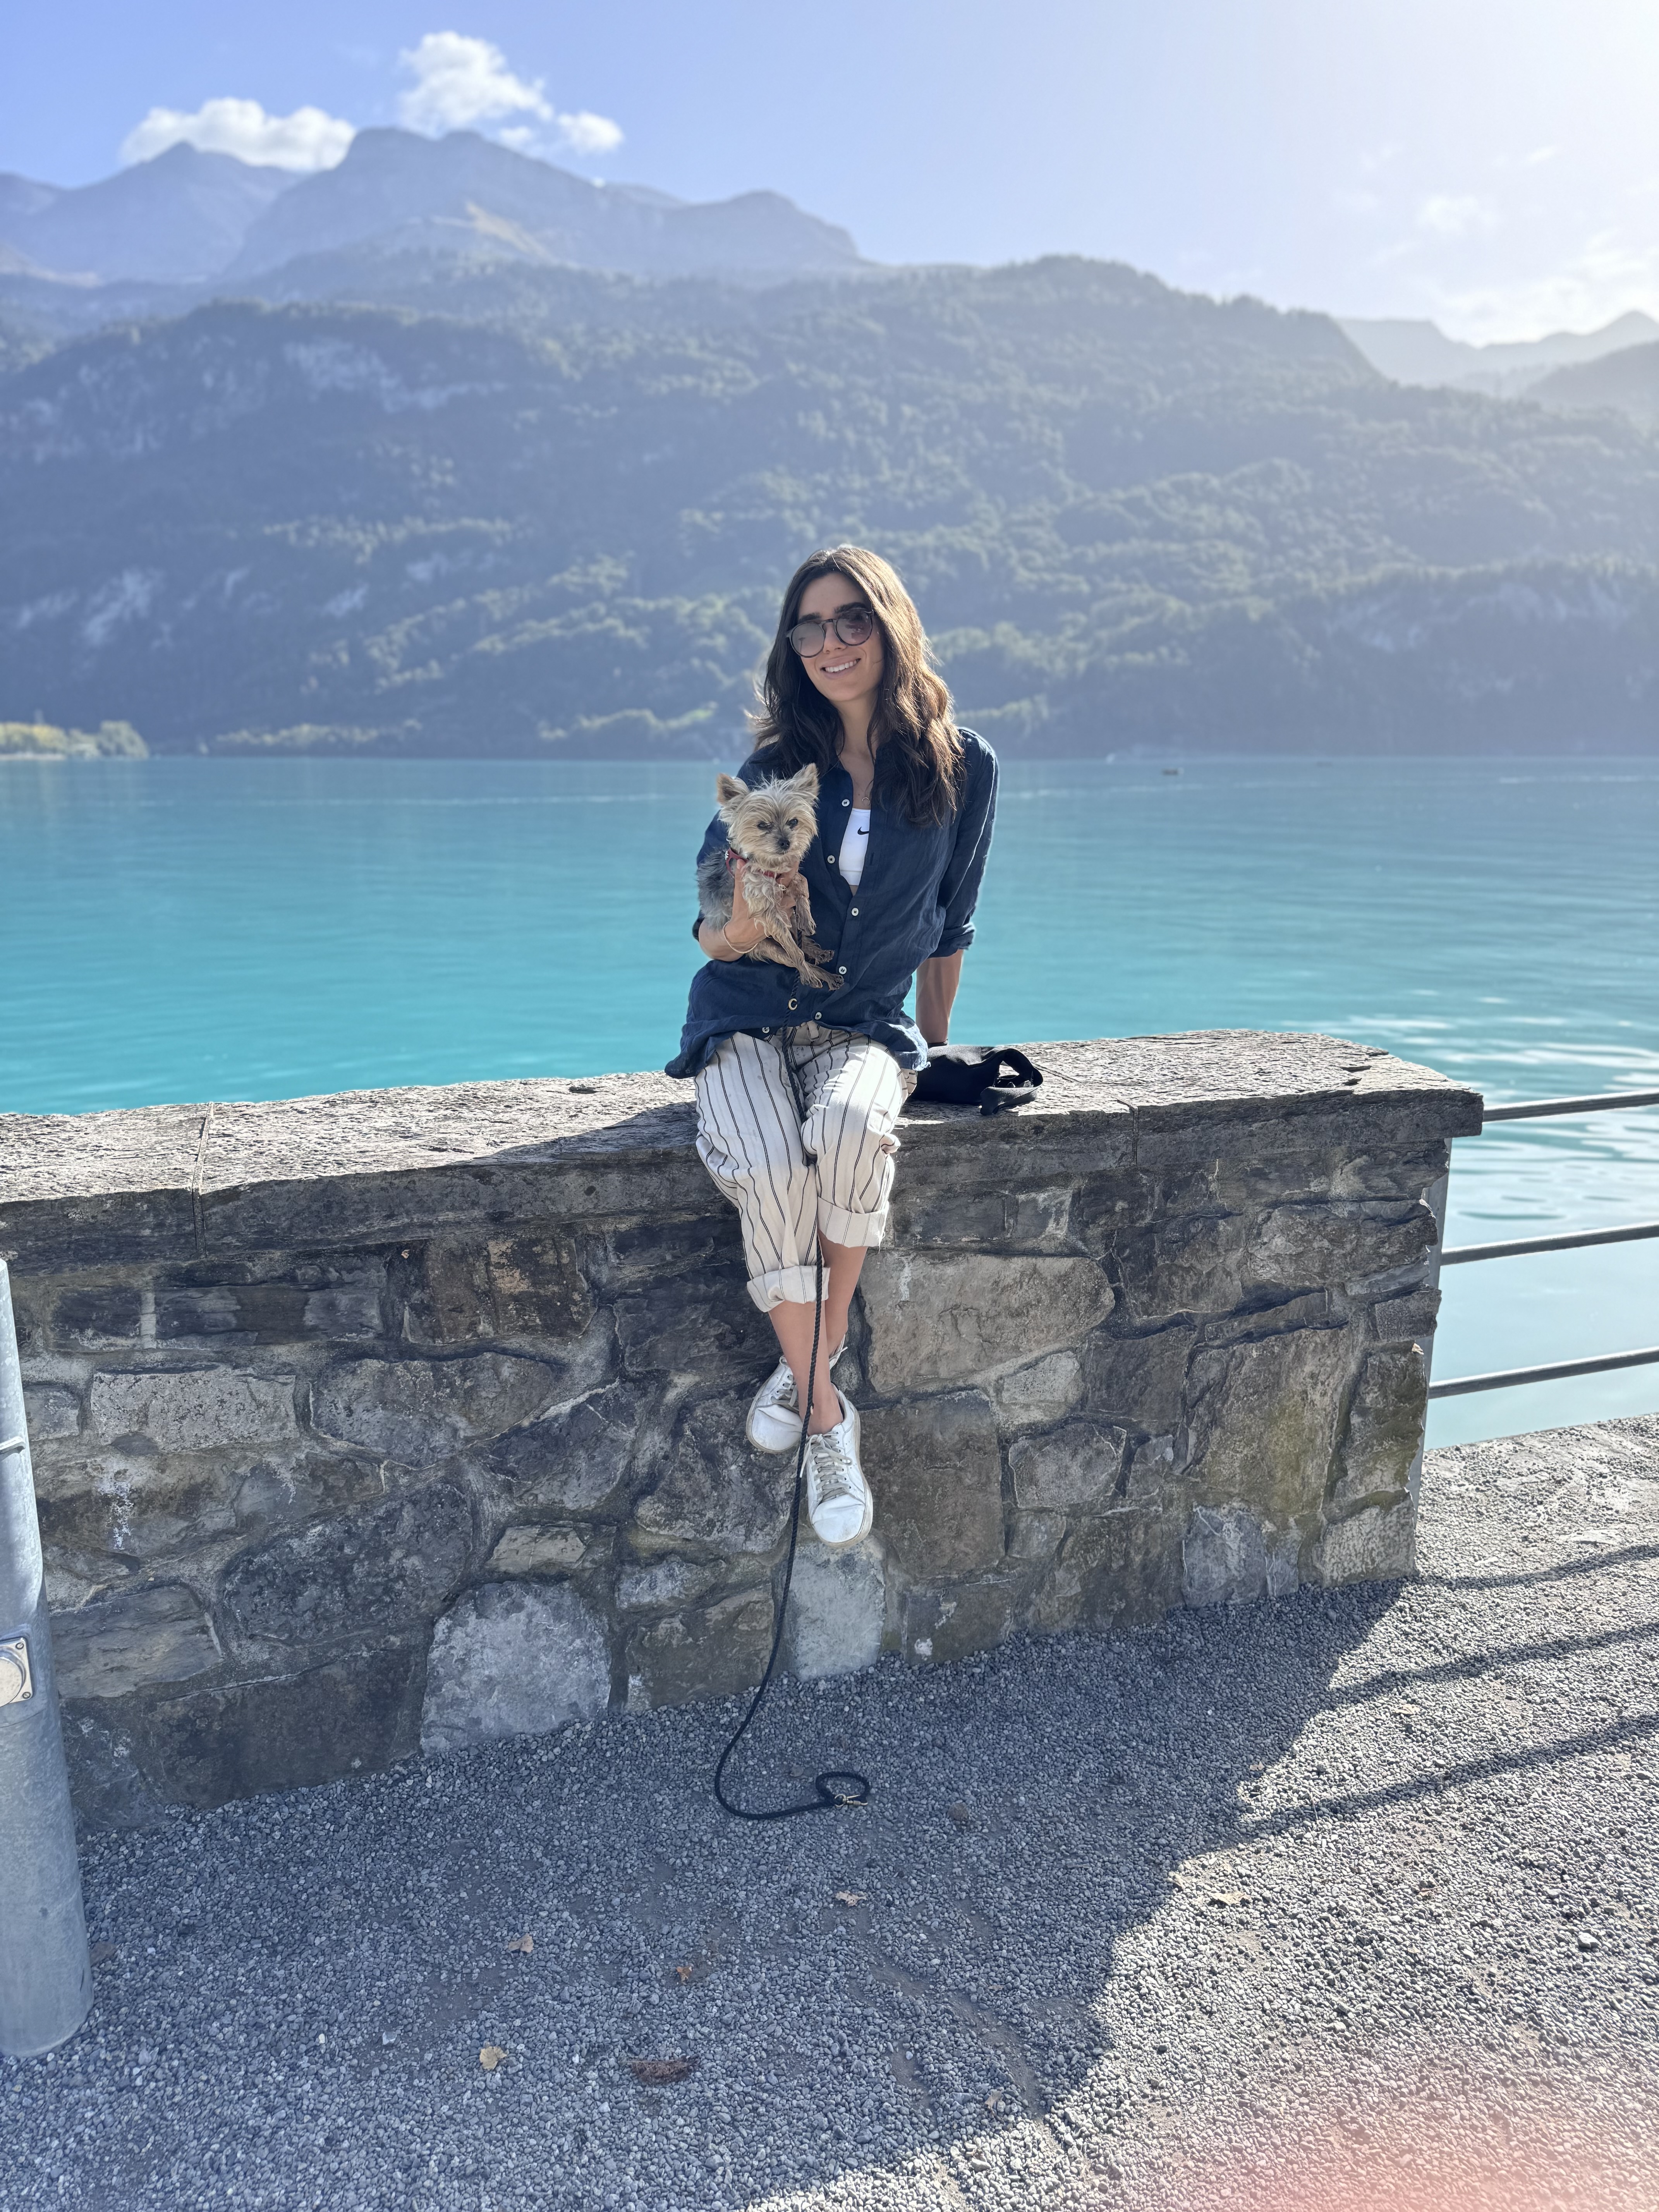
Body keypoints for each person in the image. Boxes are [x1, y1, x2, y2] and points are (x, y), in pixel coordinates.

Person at [666, 545, 998, 1549]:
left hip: (862, 1024)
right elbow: (706, 925)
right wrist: (736, 912)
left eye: (849, 619)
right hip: (742, 1015)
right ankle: (826, 1413)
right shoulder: (770, 774)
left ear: (889, 626)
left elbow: (950, 924)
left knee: (853, 1128)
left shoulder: (961, 766)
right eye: (807, 627)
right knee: (767, 1165)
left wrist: (935, 1050)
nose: (827, 643)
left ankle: (805, 1367)